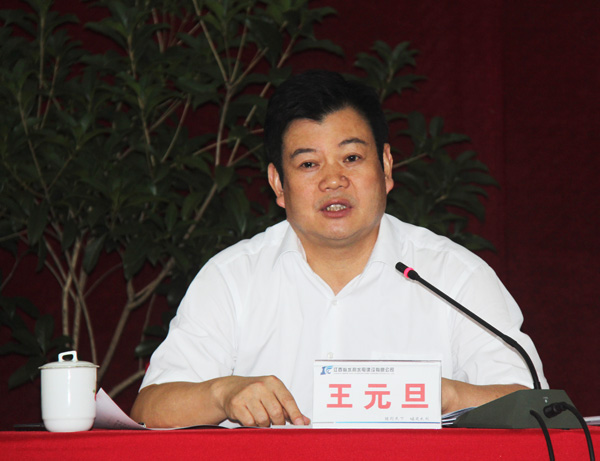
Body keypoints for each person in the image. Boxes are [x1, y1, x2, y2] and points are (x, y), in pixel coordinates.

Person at [130, 70, 547, 428]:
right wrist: (222, 394)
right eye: (309, 164)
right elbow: (150, 408)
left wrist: (446, 396)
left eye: (351, 158)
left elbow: (540, 410)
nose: (333, 180)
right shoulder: (232, 278)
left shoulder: (453, 275)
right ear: (278, 184)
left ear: (386, 166)